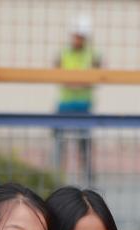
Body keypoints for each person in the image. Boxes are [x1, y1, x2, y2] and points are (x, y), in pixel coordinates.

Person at [53, 15, 100, 185]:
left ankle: (88, 180)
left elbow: (95, 78)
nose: (77, 39)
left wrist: (75, 82)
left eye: (80, 36)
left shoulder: (93, 55)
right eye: (75, 36)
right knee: (60, 142)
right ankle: (56, 177)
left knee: (84, 143)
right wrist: (78, 82)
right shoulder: (63, 53)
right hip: (65, 104)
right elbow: (57, 74)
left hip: (83, 105)